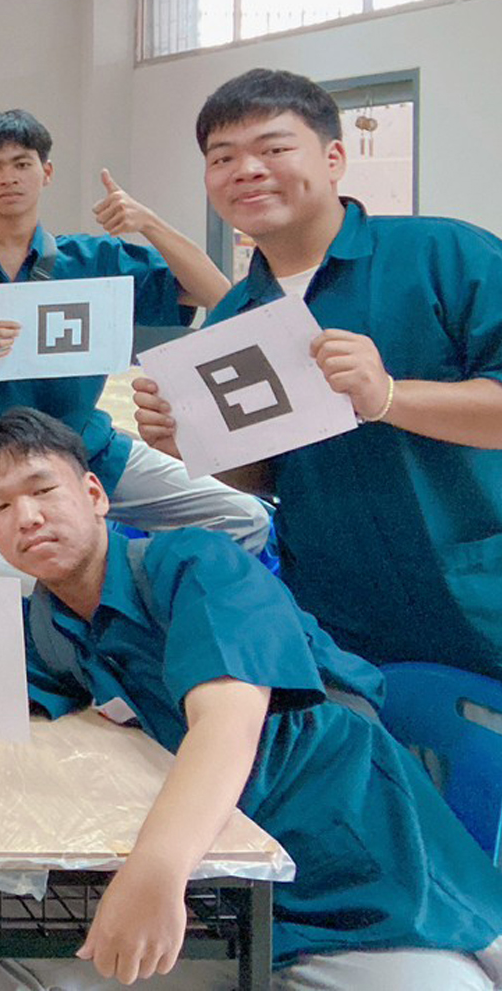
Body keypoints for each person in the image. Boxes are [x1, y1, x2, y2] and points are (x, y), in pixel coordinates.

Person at [0, 408, 502, 991]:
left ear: (95, 492)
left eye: (43, 489)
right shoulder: (50, 620)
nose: (27, 518)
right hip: (224, 879)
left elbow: (226, 726)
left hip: (358, 873)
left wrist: (154, 871)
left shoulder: (198, 564)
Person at [134, 69, 502, 678]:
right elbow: (265, 474)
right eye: (222, 157)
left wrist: (388, 396)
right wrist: (189, 443)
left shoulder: (444, 255)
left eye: (274, 148)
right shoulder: (234, 317)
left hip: (478, 594)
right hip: (340, 610)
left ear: (334, 158)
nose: (246, 170)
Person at [0, 109, 269, 550]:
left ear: (47, 172)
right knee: (3, 572)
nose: (9, 178)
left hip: (87, 448)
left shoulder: (94, 261)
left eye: (22, 163)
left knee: (245, 517)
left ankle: (131, 582)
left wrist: (149, 224)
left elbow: (218, 296)